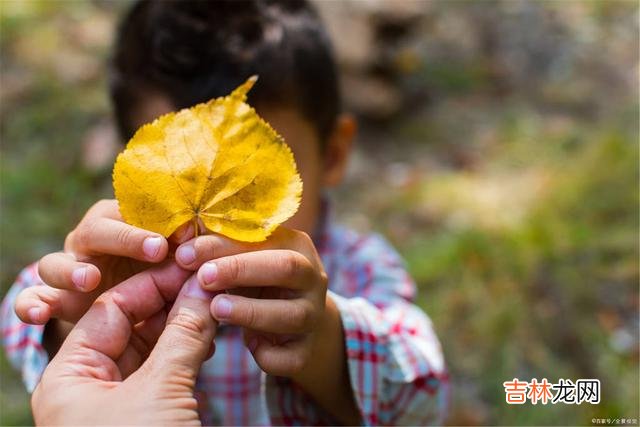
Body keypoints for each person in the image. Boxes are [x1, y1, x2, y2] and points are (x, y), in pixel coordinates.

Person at [1, 1, 448, 425]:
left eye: (248, 185)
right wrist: (80, 320)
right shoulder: (120, 270)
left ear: (332, 155)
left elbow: (424, 396)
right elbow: (23, 314)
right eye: (177, 171)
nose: (210, 226)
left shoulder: (360, 268)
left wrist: (323, 340)